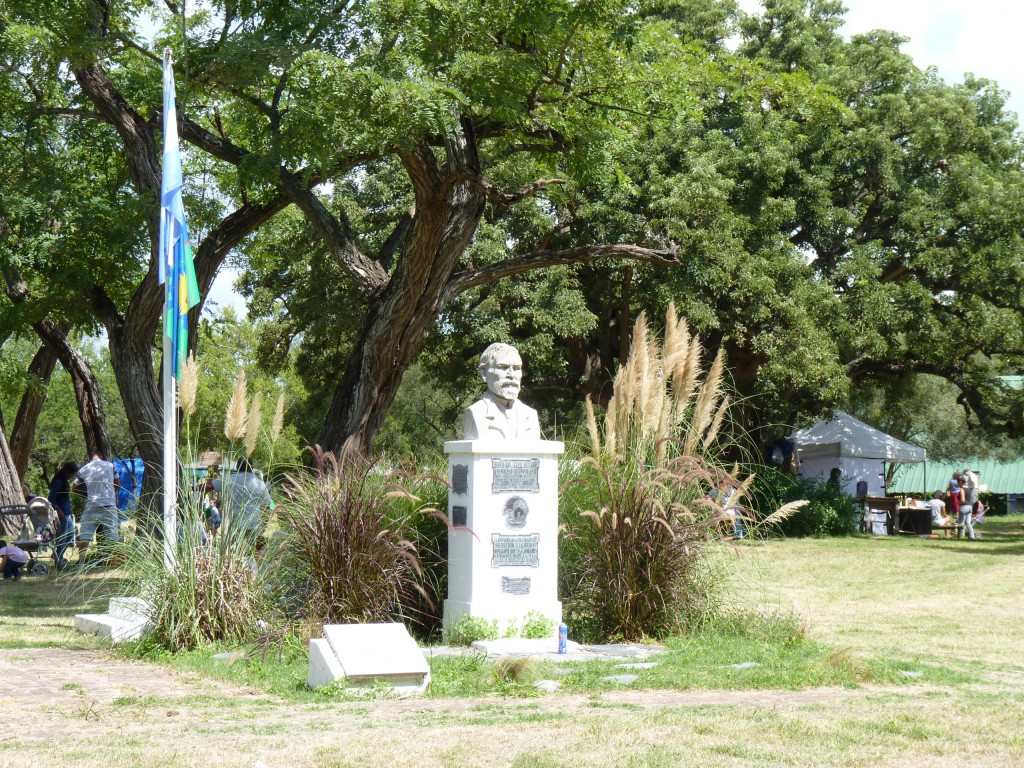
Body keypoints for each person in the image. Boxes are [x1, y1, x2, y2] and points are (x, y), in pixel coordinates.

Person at [462, 343, 541, 440]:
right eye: (503, 367)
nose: (512, 375)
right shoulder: (476, 412)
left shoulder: (530, 414)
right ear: (484, 372)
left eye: (516, 368)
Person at [208, 458, 271, 541]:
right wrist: (264, 525)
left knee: (231, 551)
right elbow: (267, 506)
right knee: (255, 551)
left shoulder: (227, 479)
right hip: (253, 525)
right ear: (252, 468)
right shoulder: (260, 483)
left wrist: (191, 488)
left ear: (237, 467)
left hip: (233, 526)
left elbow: (208, 486)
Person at [74, 450, 121, 546]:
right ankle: (113, 560)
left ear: (90, 457)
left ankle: (82, 560)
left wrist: (86, 495)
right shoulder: (110, 466)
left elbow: (74, 488)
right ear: (102, 456)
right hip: (109, 505)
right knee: (112, 536)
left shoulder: (83, 469)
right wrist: (110, 494)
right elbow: (117, 484)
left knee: (85, 535)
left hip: (92, 505)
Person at [48, 461, 79, 568]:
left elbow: (65, 497)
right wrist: (58, 510)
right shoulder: (58, 482)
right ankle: (59, 559)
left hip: (67, 513)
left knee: (71, 535)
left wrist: (69, 509)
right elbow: (51, 498)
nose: (72, 476)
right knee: (63, 537)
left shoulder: (64, 482)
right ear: (67, 472)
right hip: (61, 514)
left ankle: (57, 554)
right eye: (72, 474)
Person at [957, 476, 977, 540]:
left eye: (957, 482)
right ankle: (972, 536)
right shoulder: (968, 489)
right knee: (968, 523)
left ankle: (961, 535)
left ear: (960, 482)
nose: (957, 484)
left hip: (964, 507)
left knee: (961, 522)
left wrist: (957, 502)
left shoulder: (962, 489)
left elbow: (962, 500)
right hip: (970, 507)